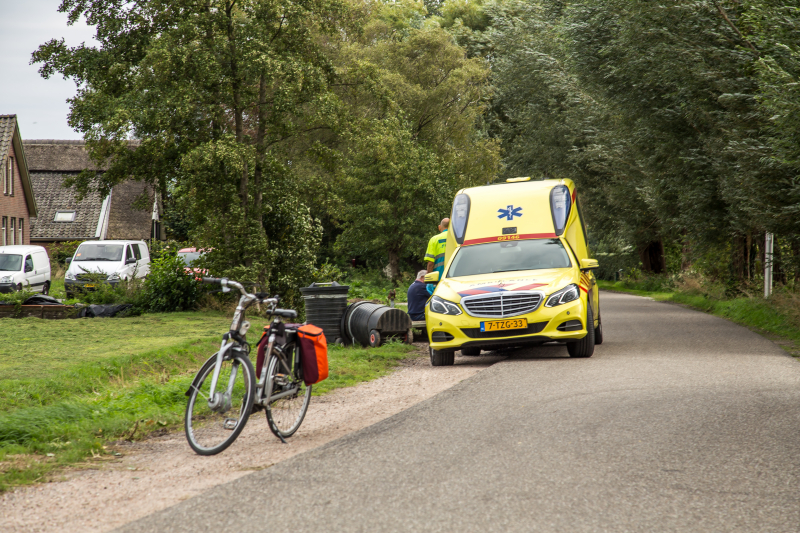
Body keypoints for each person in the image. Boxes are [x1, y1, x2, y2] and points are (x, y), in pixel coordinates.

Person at [423, 218, 449, 295]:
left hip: (437, 281)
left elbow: (431, 263)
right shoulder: (457, 239)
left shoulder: (434, 240)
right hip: (454, 280)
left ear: (439, 227)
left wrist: (429, 280)